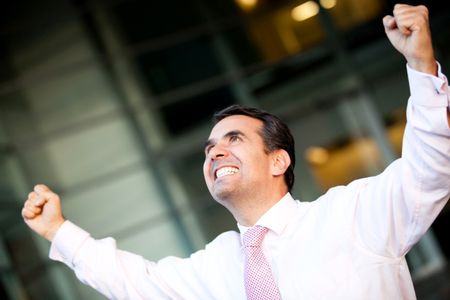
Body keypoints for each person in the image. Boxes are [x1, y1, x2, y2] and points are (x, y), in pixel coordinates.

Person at [22, 4, 450, 300]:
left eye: (234, 140)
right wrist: (58, 229)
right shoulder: (216, 266)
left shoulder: (351, 214)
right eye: (210, 149)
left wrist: (421, 67)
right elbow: (135, 283)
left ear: (279, 160)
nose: (215, 154)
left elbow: (429, 170)